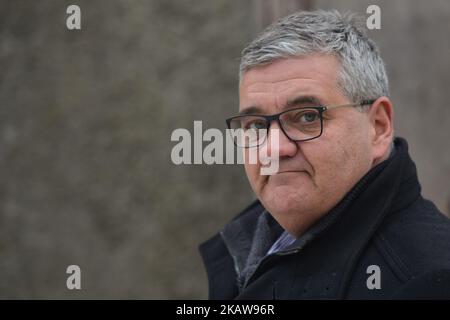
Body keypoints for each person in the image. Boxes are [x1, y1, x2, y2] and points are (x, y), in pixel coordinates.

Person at [199, 10, 450, 299]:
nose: (274, 148)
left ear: (378, 127)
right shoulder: (247, 248)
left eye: (306, 117)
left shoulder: (426, 279)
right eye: (256, 125)